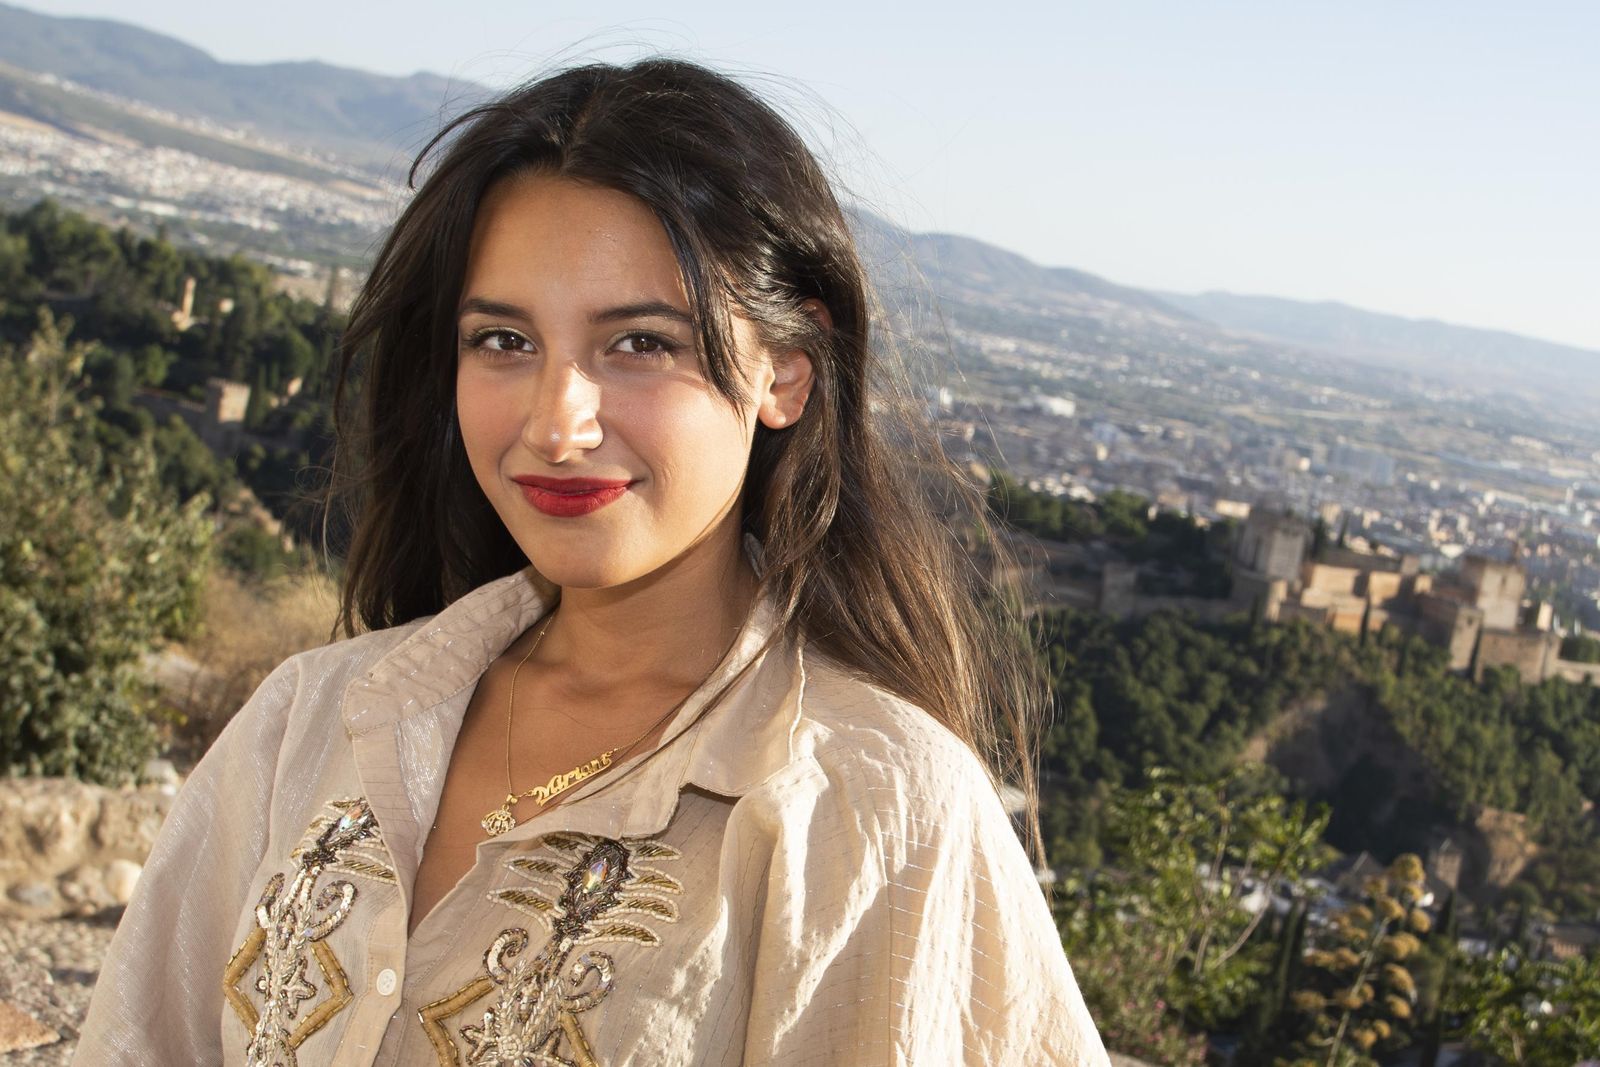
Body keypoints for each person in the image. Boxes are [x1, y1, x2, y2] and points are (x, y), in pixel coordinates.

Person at [75, 58, 1110, 1066]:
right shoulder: (311, 719)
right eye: (503, 340)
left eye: (641, 343)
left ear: (786, 372)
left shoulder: (870, 811)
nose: (555, 423)